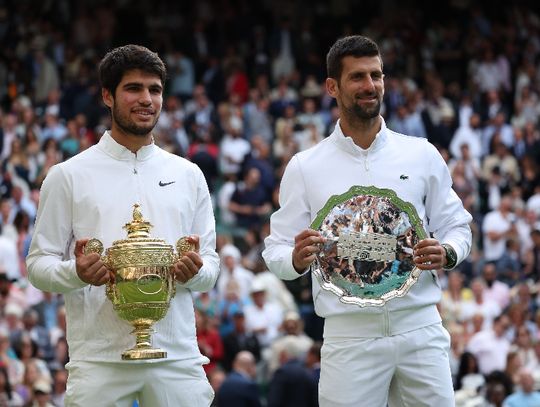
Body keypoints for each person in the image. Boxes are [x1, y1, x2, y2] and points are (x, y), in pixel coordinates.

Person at [262, 35, 473, 406]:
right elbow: (276, 249)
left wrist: (449, 252)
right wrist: (295, 259)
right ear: (332, 87)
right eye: (358, 77)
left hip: (420, 327)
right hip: (349, 335)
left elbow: (458, 226)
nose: (370, 85)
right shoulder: (305, 166)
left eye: (376, 75)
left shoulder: (420, 154)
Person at [26, 45, 219, 406]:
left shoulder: (188, 174)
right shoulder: (67, 175)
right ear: (107, 96)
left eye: (155, 90)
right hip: (99, 359)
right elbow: (38, 266)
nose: (146, 99)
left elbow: (211, 266)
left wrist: (196, 271)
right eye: (133, 88)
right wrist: (77, 273)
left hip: (175, 355)